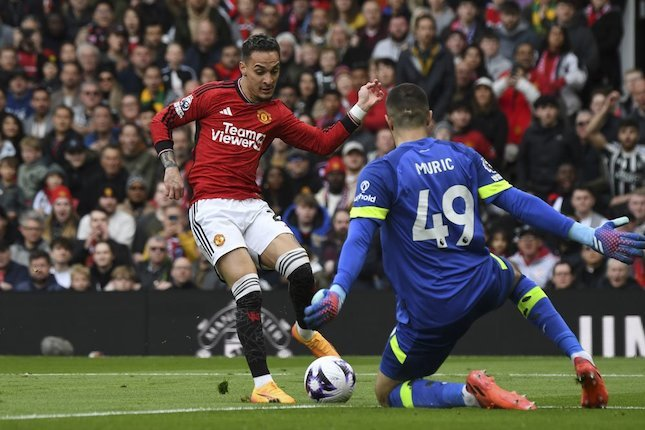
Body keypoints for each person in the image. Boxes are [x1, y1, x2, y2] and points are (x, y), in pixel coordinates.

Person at [304, 83, 645, 410]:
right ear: (430, 118)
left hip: (430, 305)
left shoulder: (381, 172)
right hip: (482, 279)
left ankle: (470, 394)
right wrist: (590, 235)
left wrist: (338, 292)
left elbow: (359, 238)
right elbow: (519, 202)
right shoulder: (463, 155)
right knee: (513, 276)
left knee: (387, 390)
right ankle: (579, 355)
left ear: (389, 122)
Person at [149, 34, 384, 403]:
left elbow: (322, 143)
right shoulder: (212, 96)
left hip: (251, 205)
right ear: (242, 68)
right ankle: (262, 385)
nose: (268, 79)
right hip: (211, 208)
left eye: (274, 71)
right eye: (260, 71)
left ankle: (304, 331)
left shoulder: (275, 113)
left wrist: (360, 108)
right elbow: (161, 120)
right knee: (250, 290)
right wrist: (170, 167)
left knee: (302, 269)